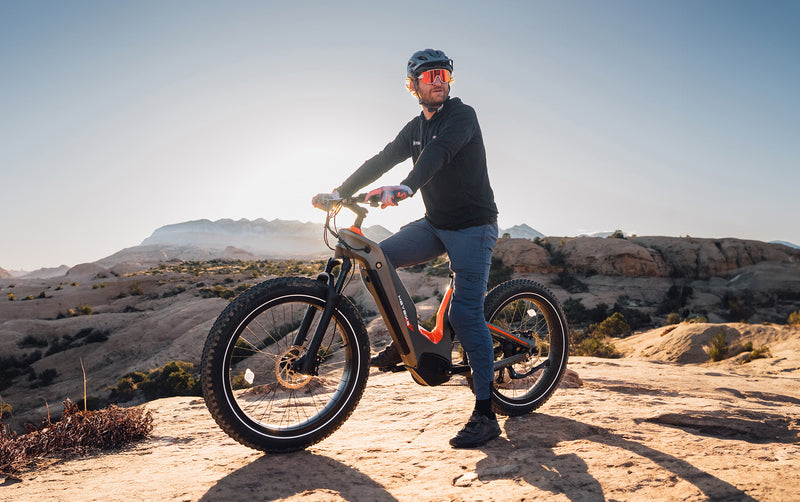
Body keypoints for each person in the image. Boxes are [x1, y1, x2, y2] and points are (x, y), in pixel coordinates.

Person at [312, 49, 500, 448]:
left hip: (473, 227)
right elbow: (383, 159)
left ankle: (486, 414)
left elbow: (439, 153)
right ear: (413, 85)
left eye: (443, 75)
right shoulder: (414, 128)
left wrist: (408, 186)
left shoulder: (462, 115)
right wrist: (340, 192)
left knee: (465, 315)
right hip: (437, 224)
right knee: (379, 261)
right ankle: (408, 339)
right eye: (430, 76)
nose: (439, 81)